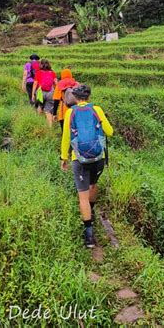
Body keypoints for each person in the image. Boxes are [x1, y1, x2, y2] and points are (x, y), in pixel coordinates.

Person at [60, 84, 113, 248]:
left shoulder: (70, 112)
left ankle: (89, 235)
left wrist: (64, 157)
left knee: (82, 195)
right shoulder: (97, 109)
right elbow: (109, 132)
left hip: (79, 158)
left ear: (75, 98)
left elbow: (66, 137)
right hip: (98, 157)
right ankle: (91, 210)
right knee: (93, 185)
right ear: (89, 97)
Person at [32, 59, 57, 126]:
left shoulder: (38, 73)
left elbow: (35, 84)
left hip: (41, 93)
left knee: (40, 106)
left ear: (41, 65)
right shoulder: (52, 73)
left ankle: (39, 124)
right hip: (50, 93)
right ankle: (50, 128)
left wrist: (33, 94)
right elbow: (56, 83)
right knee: (48, 111)